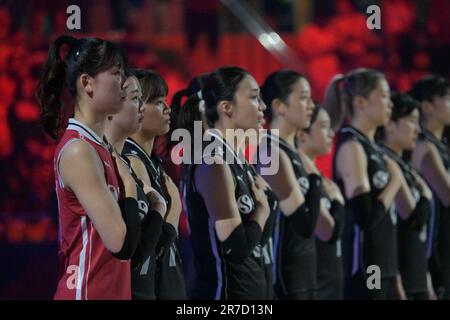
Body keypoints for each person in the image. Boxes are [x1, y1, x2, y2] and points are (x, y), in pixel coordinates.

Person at [36, 35, 139, 299]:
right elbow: (120, 243)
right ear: (87, 83)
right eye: (116, 73)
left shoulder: (99, 147)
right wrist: (131, 187)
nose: (125, 82)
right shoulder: (78, 150)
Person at [179, 66, 270, 299]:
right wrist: (262, 210)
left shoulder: (237, 158)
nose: (262, 106)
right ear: (226, 107)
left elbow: (257, 242)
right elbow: (234, 247)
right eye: (253, 97)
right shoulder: (213, 161)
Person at [324, 69, 402, 299]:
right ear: (361, 102)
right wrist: (394, 183)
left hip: (383, 264)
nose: (390, 104)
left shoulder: (371, 146)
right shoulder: (352, 146)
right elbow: (366, 216)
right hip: (366, 265)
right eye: (385, 96)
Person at [122, 69, 187, 299]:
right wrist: (175, 209)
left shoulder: (153, 161)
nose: (167, 109)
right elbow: (153, 243)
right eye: (159, 102)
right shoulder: (132, 160)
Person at [259, 70, 322, 299]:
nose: (312, 106)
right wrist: (316, 179)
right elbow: (304, 224)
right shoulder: (271, 152)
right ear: (279, 106)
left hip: (306, 274)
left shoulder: (292, 151)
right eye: (304, 98)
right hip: (285, 277)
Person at [105, 74, 167, 300]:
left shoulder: (125, 164)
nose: (141, 107)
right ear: (110, 106)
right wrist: (131, 187)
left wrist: (159, 205)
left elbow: (139, 250)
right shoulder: (97, 160)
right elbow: (126, 250)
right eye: (135, 98)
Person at [376, 92, 435, 300]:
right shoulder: (385, 163)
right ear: (391, 124)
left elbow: (420, 235)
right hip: (398, 278)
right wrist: (427, 193)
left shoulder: (402, 167)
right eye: (411, 121)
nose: (417, 129)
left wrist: (426, 281)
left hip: (416, 277)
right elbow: (413, 221)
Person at [296, 105, 346, 299]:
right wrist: (338, 202)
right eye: (324, 126)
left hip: (331, 287)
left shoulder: (320, 179)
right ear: (302, 134)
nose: (332, 133)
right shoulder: (300, 177)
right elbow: (328, 233)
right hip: (315, 288)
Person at [410, 75, 450, 299]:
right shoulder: (424, 146)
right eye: (447, 98)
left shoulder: (440, 145)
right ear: (427, 106)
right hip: (433, 250)